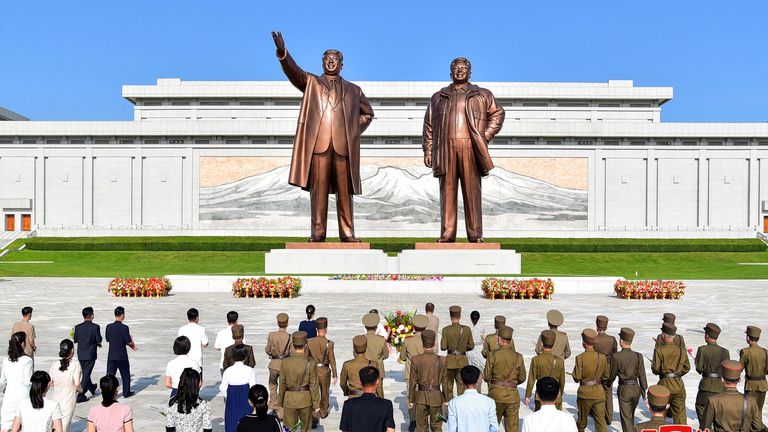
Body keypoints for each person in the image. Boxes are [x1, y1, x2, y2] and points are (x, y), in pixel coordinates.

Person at [271, 31, 374, 243]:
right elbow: (294, 72)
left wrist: (352, 130)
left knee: (345, 193)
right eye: (327, 59)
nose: (330, 62)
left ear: (342, 65)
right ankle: (318, 232)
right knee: (318, 192)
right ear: (322, 63)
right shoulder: (312, 83)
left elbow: (368, 114)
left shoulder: (354, 90)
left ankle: (347, 233)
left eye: (334, 60)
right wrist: (283, 52)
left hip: (343, 147)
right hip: (319, 146)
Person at [422, 57, 505, 243]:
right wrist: (428, 150)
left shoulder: (481, 94)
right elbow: (428, 126)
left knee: (472, 192)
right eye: (456, 68)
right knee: (447, 193)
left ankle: (475, 235)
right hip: (445, 149)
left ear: (470, 72)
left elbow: (498, 114)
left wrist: (485, 136)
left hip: (470, 147)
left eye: (463, 68)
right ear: (450, 72)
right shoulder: (438, 97)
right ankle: (447, 234)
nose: (459, 71)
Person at [701, 360, 764, 432]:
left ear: (722, 379)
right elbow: (758, 427)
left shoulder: (713, 400)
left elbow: (704, 428)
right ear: (739, 379)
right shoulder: (751, 401)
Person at [484, 325, 525, 432]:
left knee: (491, 426)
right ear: (510, 341)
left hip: (495, 394)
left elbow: (486, 376)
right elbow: (522, 377)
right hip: (512, 395)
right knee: (512, 428)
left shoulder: (492, 355)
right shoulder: (518, 356)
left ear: (500, 339)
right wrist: (512, 383)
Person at [607, 328, 647, 432]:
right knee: (630, 416)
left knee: (626, 418)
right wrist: (644, 394)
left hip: (624, 389)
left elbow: (612, 375)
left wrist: (607, 384)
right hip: (636, 389)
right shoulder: (638, 356)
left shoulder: (616, 356)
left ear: (621, 341)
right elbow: (642, 376)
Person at [278, 331, 319, 432]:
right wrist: (316, 405)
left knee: (289, 429)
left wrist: (280, 402)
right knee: (306, 429)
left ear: (293, 345)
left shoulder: (285, 362)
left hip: (289, 400)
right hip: (306, 400)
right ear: (305, 346)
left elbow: (282, 383)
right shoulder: (311, 363)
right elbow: (314, 386)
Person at [408, 330, 448, 432]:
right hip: (436, 397)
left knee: (421, 427)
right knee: (437, 426)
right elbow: (445, 381)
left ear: (422, 343)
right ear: (434, 343)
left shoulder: (415, 359)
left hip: (421, 397)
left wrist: (411, 399)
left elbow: (412, 381)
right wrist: (446, 398)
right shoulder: (442, 359)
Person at [651, 322, 690, 426]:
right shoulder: (682, 350)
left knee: (660, 414)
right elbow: (687, 367)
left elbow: (655, 369)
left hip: (664, 384)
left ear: (663, 335)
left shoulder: (659, 350)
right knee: (680, 415)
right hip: (678, 384)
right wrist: (677, 375)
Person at [572, 329, 610, 432]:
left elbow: (577, 377)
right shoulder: (602, 357)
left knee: (582, 422)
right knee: (600, 421)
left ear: (584, 343)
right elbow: (606, 376)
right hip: (599, 392)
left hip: (584, 394)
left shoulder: (580, 358)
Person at [339, 366, 395, 432]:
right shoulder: (386, 404)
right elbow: (390, 430)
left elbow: (345, 430)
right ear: (377, 382)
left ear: (360, 382)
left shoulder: (348, 404)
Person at [305, 317, 337, 428]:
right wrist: (335, 374)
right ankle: (323, 412)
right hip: (324, 371)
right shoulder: (329, 344)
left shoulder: (309, 342)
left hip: (313, 370)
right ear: (326, 330)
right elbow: (332, 360)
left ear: (316, 329)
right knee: (324, 392)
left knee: (314, 393)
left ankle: (314, 413)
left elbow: (306, 357)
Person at [694, 322, 729, 425]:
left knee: (701, 406)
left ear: (707, 336)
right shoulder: (725, 351)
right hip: (720, 385)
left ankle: (706, 428)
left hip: (706, 385)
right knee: (718, 411)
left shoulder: (702, 349)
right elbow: (726, 370)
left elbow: (699, 369)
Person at [446, 365, 498, 432]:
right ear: (477, 381)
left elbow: (451, 429)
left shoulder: (454, 403)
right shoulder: (489, 402)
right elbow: (494, 428)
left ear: (462, 381)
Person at [525, 330, 566, 411]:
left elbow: (531, 379)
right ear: (553, 344)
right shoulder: (560, 360)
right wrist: (560, 393)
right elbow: (562, 380)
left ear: (542, 343)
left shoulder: (536, 360)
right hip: (556, 395)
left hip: (541, 395)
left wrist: (528, 395)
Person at [1, 332, 33, 432]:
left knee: (5, 425)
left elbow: (2, 380)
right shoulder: (27, 360)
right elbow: (28, 381)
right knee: (21, 425)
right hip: (22, 396)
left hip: (9, 397)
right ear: (23, 344)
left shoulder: (6, 360)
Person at [221, 345, 258, 432]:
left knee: (232, 426)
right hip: (246, 401)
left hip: (232, 403)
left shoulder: (228, 371)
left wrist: (230, 397)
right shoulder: (250, 370)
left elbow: (223, 388)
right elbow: (253, 387)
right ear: (246, 356)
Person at [400, 314, 427, 432]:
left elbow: (402, 356)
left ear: (414, 327)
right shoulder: (428, 339)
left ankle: (412, 420)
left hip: (410, 372)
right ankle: (423, 419)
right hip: (425, 372)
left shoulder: (407, 340)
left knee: (410, 396)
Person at [48, 339, 82, 432]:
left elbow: (50, 383)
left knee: (54, 427)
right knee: (63, 428)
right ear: (71, 351)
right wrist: (81, 390)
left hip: (55, 399)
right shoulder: (75, 364)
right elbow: (77, 384)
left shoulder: (54, 364)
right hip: (68, 400)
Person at [441, 305, 474, 399]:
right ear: (460, 317)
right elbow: (471, 345)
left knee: (448, 385)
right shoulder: (466, 329)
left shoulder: (446, 330)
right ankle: (461, 404)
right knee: (462, 385)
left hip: (450, 360)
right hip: (462, 360)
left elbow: (443, 347)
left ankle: (450, 404)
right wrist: (463, 349)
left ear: (450, 317)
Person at [739, 325, 767, 428]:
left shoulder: (745, 352)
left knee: (749, 412)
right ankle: (759, 427)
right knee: (758, 411)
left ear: (748, 338)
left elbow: (739, 368)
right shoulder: (765, 352)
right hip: (763, 385)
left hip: (751, 386)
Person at [105, 307, 136, 398]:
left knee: (110, 376)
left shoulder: (109, 327)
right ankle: (126, 392)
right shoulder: (125, 328)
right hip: (122, 355)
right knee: (125, 375)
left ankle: (108, 394)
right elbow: (128, 341)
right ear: (122, 315)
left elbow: (107, 339)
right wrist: (132, 342)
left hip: (111, 355)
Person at [265, 313, 291, 417]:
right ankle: (281, 409)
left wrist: (272, 352)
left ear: (277, 323)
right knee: (283, 388)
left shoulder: (272, 335)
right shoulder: (290, 337)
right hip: (285, 365)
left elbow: (267, 349)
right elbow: (292, 352)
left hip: (274, 364)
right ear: (287, 323)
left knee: (272, 386)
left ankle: (273, 405)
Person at [74, 306, 102, 402]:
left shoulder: (77, 327)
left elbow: (75, 340)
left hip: (81, 354)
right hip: (90, 354)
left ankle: (92, 387)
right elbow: (99, 339)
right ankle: (81, 394)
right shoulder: (95, 327)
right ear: (91, 315)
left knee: (86, 372)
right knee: (86, 374)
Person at [594, 315, 618, 426]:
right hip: (608, 368)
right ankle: (609, 417)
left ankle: (597, 415)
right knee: (608, 392)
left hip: (597, 367)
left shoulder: (594, 339)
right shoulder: (612, 339)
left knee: (596, 392)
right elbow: (615, 355)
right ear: (606, 327)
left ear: (597, 326)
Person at [360, 312, 388, 394]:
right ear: (376, 327)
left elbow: (356, 354)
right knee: (379, 390)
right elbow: (386, 355)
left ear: (365, 327)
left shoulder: (361, 339)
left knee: (365, 391)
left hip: (364, 368)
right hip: (378, 368)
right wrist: (379, 358)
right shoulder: (381, 340)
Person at [178, 308, 208, 376]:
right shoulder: (201, 329)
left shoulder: (182, 329)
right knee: (198, 382)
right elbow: (205, 344)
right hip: (197, 359)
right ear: (197, 318)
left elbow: (179, 343)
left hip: (184, 359)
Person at [467, 311, 487, 393]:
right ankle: (478, 388)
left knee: (471, 371)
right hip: (479, 350)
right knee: (479, 371)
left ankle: (471, 389)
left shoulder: (468, 327)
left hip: (470, 350)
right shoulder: (481, 327)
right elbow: (484, 339)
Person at [215, 311, 240, 376]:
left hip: (224, 363)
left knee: (225, 385)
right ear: (237, 320)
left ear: (227, 320)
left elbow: (217, 347)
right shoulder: (239, 333)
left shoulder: (220, 333)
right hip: (236, 364)